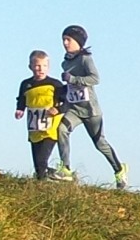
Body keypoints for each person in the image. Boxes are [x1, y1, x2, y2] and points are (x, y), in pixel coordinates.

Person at [52, 25, 128, 188]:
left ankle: (119, 170)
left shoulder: (86, 59)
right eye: (63, 40)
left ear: (78, 42)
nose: (65, 43)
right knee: (61, 129)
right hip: (74, 109)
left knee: (99, 143)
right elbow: (72, 89)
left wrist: (73, 79)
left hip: (91, 111)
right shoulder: (65, 63)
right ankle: (65, 169)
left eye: (68, 40)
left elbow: (95, 79)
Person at [14, 51, 67, 179]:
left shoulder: (55, 84)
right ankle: (48, 177)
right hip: (34, 129)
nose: (40, 69)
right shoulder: (25, 84)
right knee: (38, 163)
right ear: (30, 67)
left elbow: (67, 102)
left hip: (50, 129)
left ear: (48, 67)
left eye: (44, 66)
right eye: (37, 66)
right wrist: (19, 109)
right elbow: (21, 99)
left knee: (42, 159)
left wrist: (57, 110)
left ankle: (43, 182)